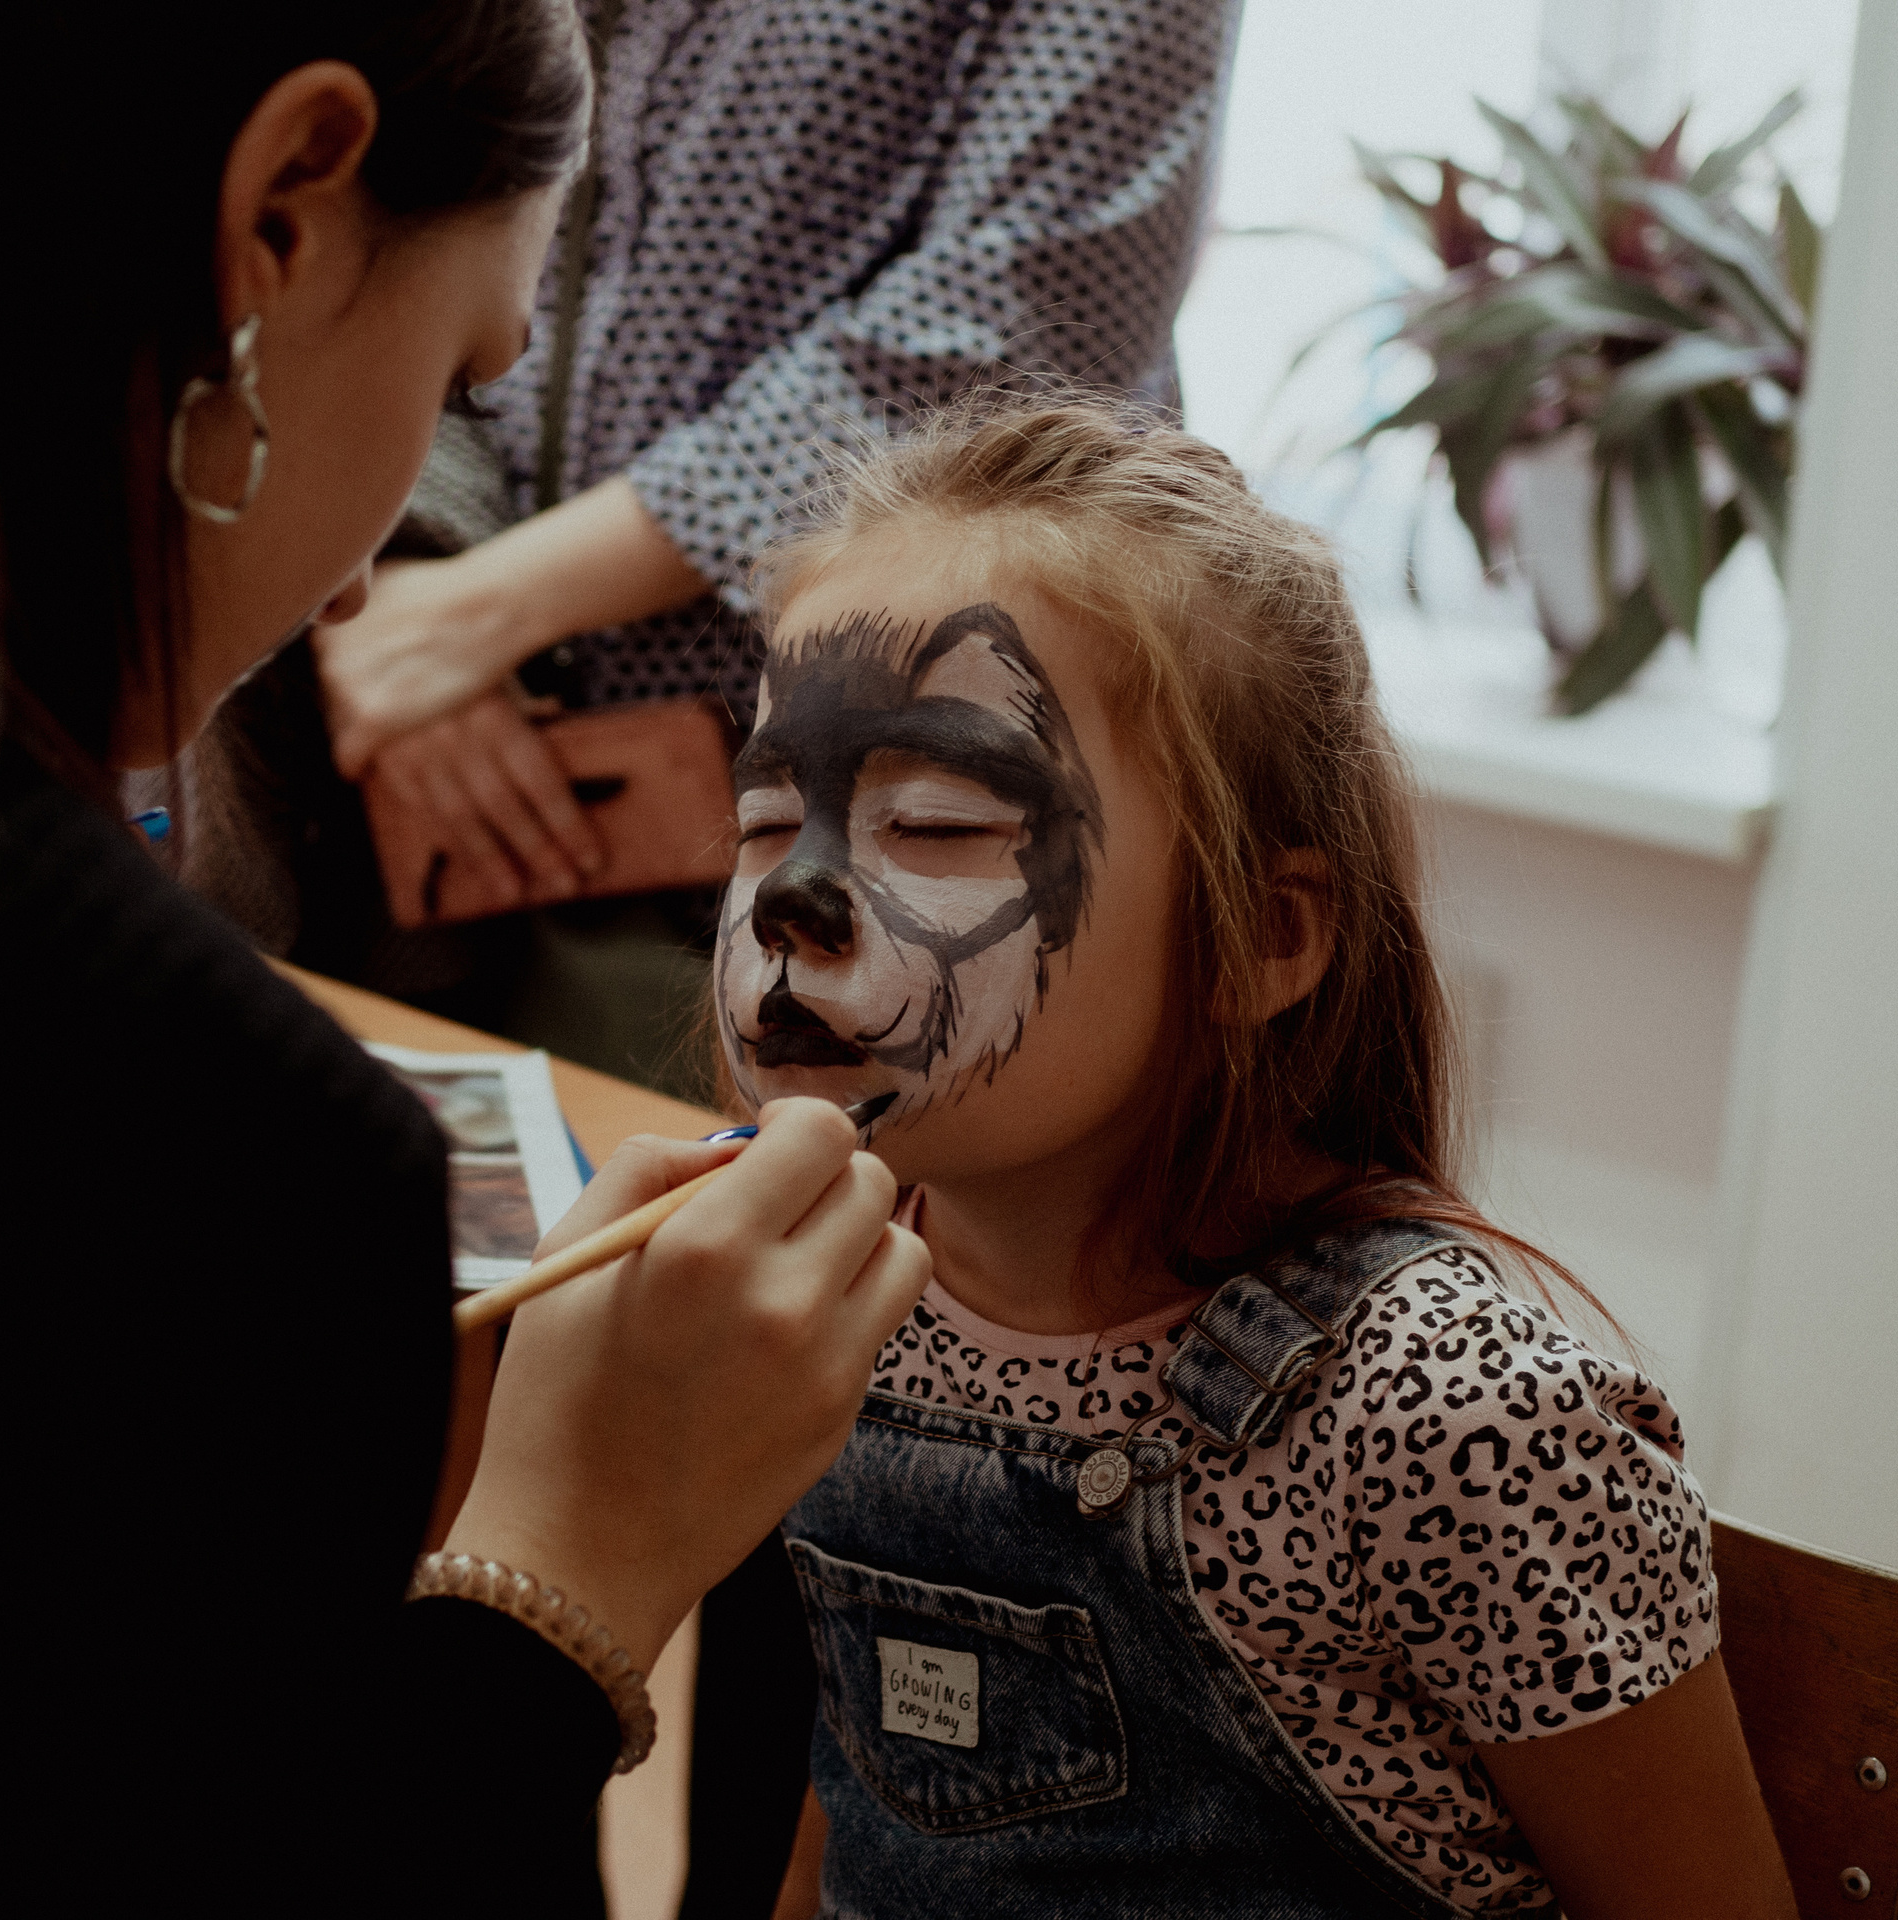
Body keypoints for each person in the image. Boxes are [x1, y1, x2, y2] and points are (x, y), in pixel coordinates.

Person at [0, 2, 927, 1903]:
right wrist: (570, 1568)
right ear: (279, 214)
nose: (371, 576)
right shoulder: (191, 1141)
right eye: (459, 381)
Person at [700, 397, 1799, 1918]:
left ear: (1263, 937)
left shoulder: (1447, 1423)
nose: (791, 900)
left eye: (938, 822)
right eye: (764, 820)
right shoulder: (823, 1301)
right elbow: (860, 1823)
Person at [246, 0, 1240, 1080]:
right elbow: (414, 212)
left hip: (874, 792)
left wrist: (483, 610)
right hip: (405, 786)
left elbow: (1030, 321)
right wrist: (410, 571)